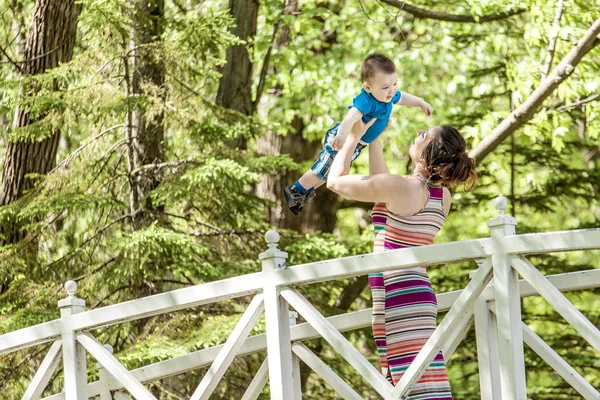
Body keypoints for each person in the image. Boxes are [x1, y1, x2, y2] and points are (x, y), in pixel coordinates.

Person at [327, 118, 477, 398]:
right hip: (416, 295)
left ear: (429, 153)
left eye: (426, 135)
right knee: (414, 380)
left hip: (397, 294)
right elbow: (380, 183)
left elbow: (334, 182)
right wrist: (375, 137)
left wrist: (350, 139)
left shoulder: (401, 188)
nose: (418, 132)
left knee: (407, 384)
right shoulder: (441, 196)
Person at [283, 54, 432, 215]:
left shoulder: (388, 95)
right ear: (368, 88)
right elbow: (351, 117)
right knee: (324, 168)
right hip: (343, 138)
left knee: (329, 172)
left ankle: (302, 191)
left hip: (357, 143)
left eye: (394, 84)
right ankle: (296, 189)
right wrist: (341, 135)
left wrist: (420, 103)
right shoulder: (367, 101)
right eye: (385, 87)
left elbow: (403, 97)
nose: (392, 91)